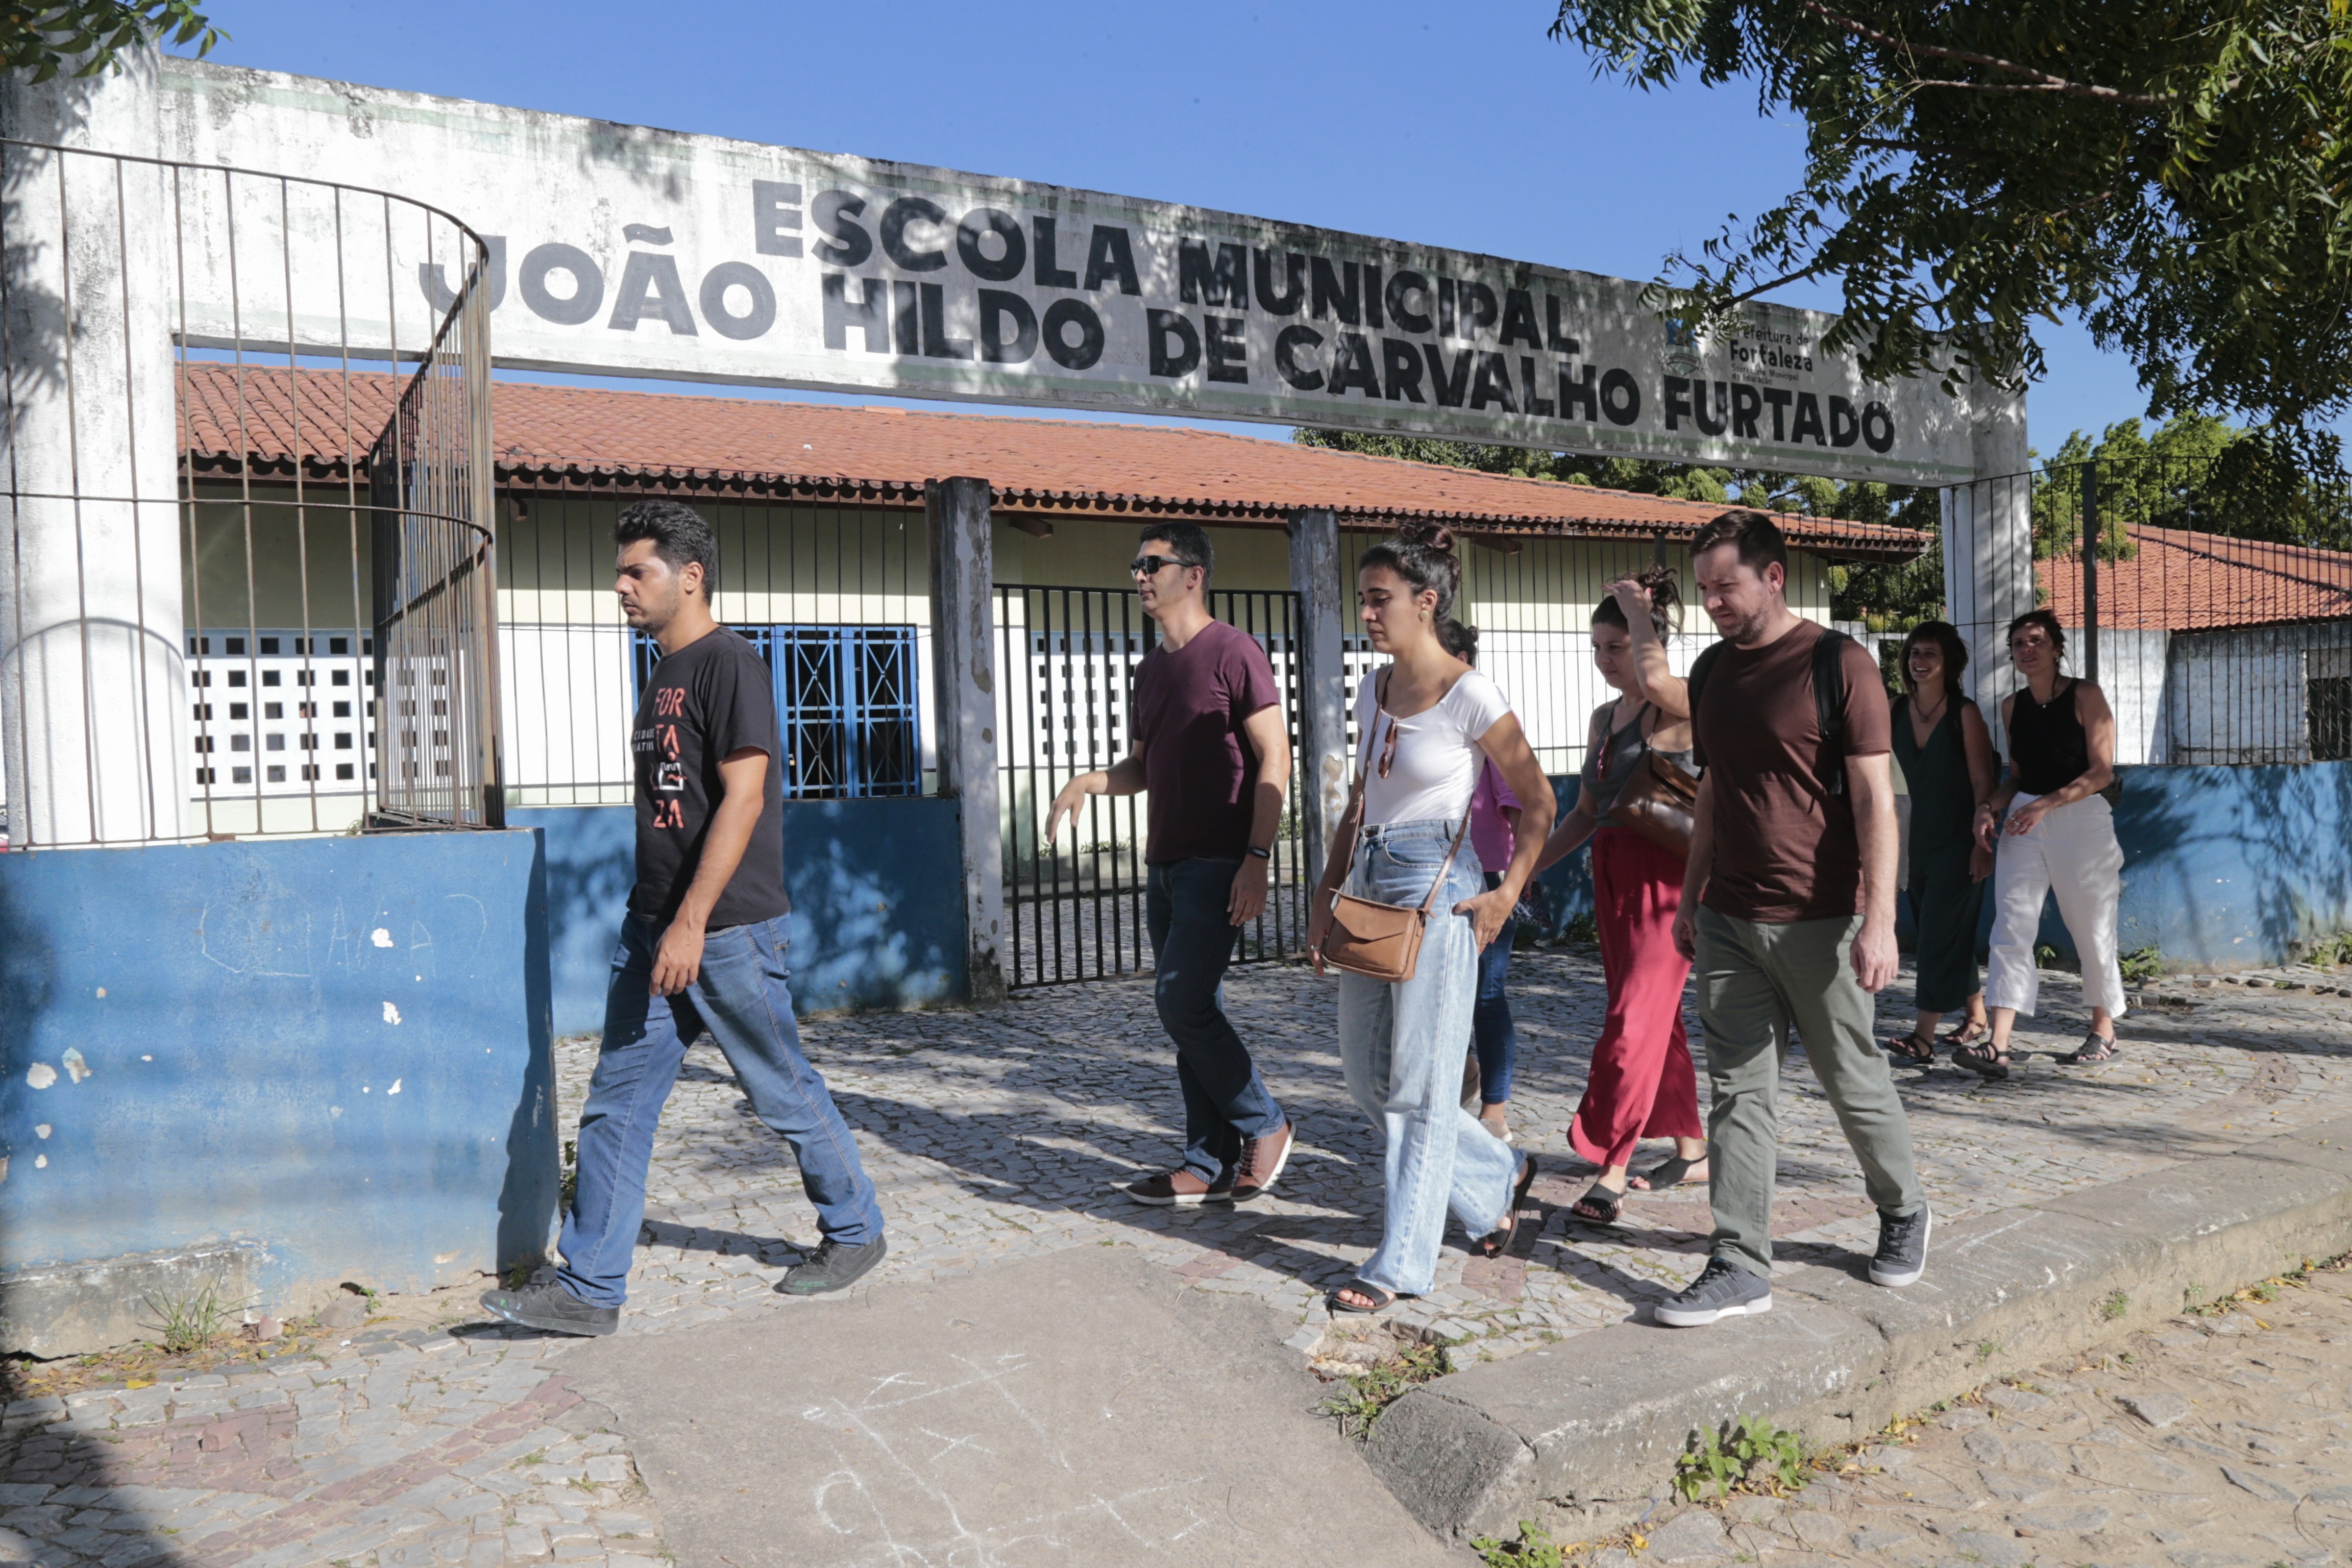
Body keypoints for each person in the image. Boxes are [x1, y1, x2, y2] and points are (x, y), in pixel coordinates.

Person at [480, 500, 888, 1336]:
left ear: (690, 575)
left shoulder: (727, 663)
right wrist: (661, 919)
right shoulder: (662, 672)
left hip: (724, 928)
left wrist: (694, 919)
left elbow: (744, 797)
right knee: (616, 1107)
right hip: (656, 925)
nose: (620, 586)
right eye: (620, 570)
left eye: (639, 571)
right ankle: (591, 1288)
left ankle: (855, 1230)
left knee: (781, 1091)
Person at [1658, 509, 1931, 1329]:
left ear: (1773, 577)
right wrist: (1691, 895)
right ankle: (1740, 1262)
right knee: (1739, 1092)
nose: (1713, 603)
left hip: (1821, 918)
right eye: (1704, 590)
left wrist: (1879, 920)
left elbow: (1875, 800)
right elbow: (1712, 792)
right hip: (1730, 919)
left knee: (1852, 1077)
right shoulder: (1710, 673)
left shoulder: (1837, 663)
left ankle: (1905, 1207)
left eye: (1726, 587)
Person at [1306, 523, 1556, 1316]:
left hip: (1441, 893)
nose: (1368, 615)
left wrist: (1507, 893)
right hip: (1373, 879)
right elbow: (1360, 802)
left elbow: (1540, 801)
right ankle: (1496, 1177)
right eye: (1364, 601)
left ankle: (1399, 1266)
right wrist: (1323, 893)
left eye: (1380, 601)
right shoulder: (1372, 690)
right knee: (1364, 1076)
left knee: (1418, 1087)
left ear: (1427, 601)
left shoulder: (1470, 693)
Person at [1045, 523, 1297, 1205]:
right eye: (1136, 565)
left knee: (1181, 1001)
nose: (1139, 576)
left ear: (1193, 574)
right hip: (1165, 865)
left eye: (1152, 564)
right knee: (1192, 1011)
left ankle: (1265, 1125)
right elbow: (1144, 767)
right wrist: (1091, 782)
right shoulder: (1151, 669)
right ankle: (1207, 1163)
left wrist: (1257, 857)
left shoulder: (1235, 651)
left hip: (1220, 861)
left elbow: (1275, 755)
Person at [1534, 570, 1707, 1224]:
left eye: (1617, 646)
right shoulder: (1604, 718)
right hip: (1612, 875)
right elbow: (1584, 813)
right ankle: (1692, 1148)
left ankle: (1611, 1162)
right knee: (1655, 1020)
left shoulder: (1681, 705)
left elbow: (1658, 679)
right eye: (1598, 648)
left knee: (1632, 1023)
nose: (1606, 661)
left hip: (1666, 882)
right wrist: (1528, 870)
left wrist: (1642, 618)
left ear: (1646, 642)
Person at [1959, 608, 2127, 1078]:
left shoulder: (2085, 695)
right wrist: (1989, 808)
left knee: (2091, 927)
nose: (2027, 650)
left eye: (2036, 641)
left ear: (2057, 647)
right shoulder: (2012, 707)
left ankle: (2103, 1027)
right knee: (2011, 926)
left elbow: (2101, 772)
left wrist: (2046, 804)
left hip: (2082, 819)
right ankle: (1999, 1043)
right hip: (2026, 820)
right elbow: (2017, 775)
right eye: (2018, 644)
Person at [1884, 620, 1997, 1065]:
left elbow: (1982, 781)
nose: (1920, 661)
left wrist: (1981, 845)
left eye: (1930, 653)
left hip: (1956, 843)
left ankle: (1923, 1037)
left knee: (1934, 936)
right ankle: (1976, 1015)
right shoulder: (1892, 709)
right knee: (1948, 933)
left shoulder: (1964, 714)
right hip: (1906, 844)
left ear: (1949, 662)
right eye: (1914, 653)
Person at [1464, 752, 1523, 1142]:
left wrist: (1518, 879)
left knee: (1486, 994)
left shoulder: (1486, 712)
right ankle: (1466, 1076)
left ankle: (1494, 1109)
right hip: (1430, 869)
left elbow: (1519, 802)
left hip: (1489, 873)